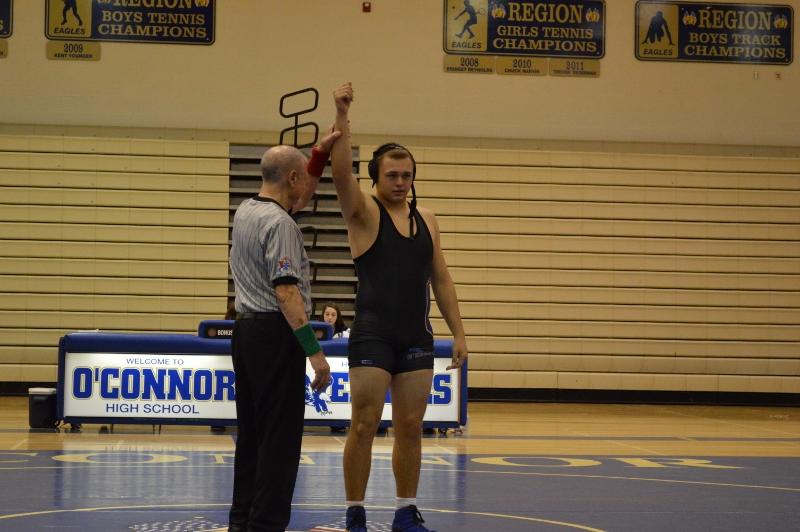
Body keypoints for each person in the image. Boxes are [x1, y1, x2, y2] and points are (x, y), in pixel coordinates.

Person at [330, 83, 468, 532]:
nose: (400, 182)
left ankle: (405, 510)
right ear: (376, 177)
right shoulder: (364, 213)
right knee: (364, 423)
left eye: (406, 175)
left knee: (411, 426)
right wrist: (342, 115)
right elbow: (338, 175)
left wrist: (460, 333)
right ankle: (355, 512)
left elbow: (441, 279)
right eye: (391, 175)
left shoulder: (427, 219)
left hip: (416, 336)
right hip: (372, 333)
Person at [228, 131, 339, 532]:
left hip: (245, 333)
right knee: (280, 442)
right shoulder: (280, 225)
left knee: (253, 436)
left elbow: (301, 194)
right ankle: (267, 525)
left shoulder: (245, 211)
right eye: (301, 178)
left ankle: (242, 521)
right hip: (276, 335)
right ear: (291, 178)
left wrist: (318, 154)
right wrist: (314, 352)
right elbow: (288, 293)